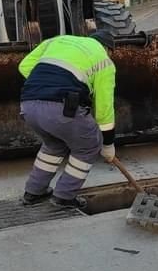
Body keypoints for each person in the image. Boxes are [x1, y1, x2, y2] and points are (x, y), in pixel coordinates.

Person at [17, 31, 117, 209]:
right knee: (88, 146)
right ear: (108, 49)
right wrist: (108, 145)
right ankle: (64, 196)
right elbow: (104, 110)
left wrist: (48, 84)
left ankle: (33, 192)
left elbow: (24, 66)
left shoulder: (57, 40)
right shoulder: (104, 60)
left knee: (54, 145)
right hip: (62, 107)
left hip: (28, 104)